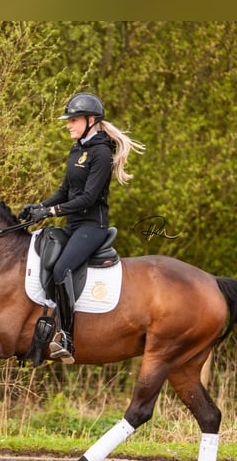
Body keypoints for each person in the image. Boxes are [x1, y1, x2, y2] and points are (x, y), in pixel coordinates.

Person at [19, 92, 145, 364]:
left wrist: (51, 211)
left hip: (92, 227)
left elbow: (87, 198)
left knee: (62, 267)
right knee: (48, 259)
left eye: (73, 120)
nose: (68, 125)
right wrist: (39, 207)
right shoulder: (77, 149)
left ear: (91, 120)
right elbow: (65, 191)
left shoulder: (101, 152)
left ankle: (65, 336)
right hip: (72, 225)